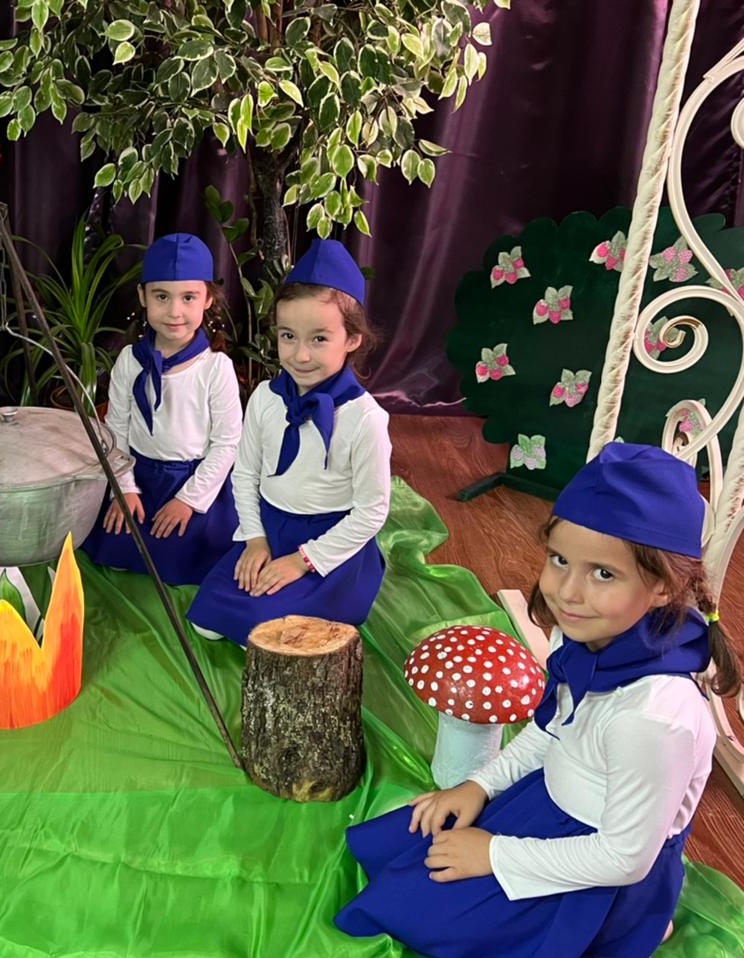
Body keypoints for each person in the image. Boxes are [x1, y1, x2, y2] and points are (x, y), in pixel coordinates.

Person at [335, 442, 738, 958]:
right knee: (401, 849)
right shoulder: (586, 635)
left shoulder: (654, 718)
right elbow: (552, 731)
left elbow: (624, 858)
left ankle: (635, 922)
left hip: (599, 868)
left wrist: (495, 854)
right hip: (549, 805)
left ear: (662, 587)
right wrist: (480, 785)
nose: (567, 592)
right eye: (560, 560)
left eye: (603, 573)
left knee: (413, 910)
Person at [186, 238, 390, 644]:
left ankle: (325, 598)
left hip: (329, 543)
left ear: (352, 339)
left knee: (260, 632)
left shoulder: (365, 418)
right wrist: (255, 539)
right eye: (288, 336)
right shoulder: (265, 398)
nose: (300, 355)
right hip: (272, 528)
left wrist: (302, 561)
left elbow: (371, 512)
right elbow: (245, 475)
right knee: (206, 621)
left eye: (319, 339)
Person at [84, 232, 242, 585]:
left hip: (194, 480)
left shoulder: (216, 368)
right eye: (161, 296)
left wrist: (189, 500)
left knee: (189, 556)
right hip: (140, 476)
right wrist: (124, 487)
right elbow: (116, 429)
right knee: (118, 546)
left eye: (188, 297)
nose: (174, 311)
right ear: (143, 296)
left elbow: (227, 443)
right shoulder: (129, 360)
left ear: (207, 299)